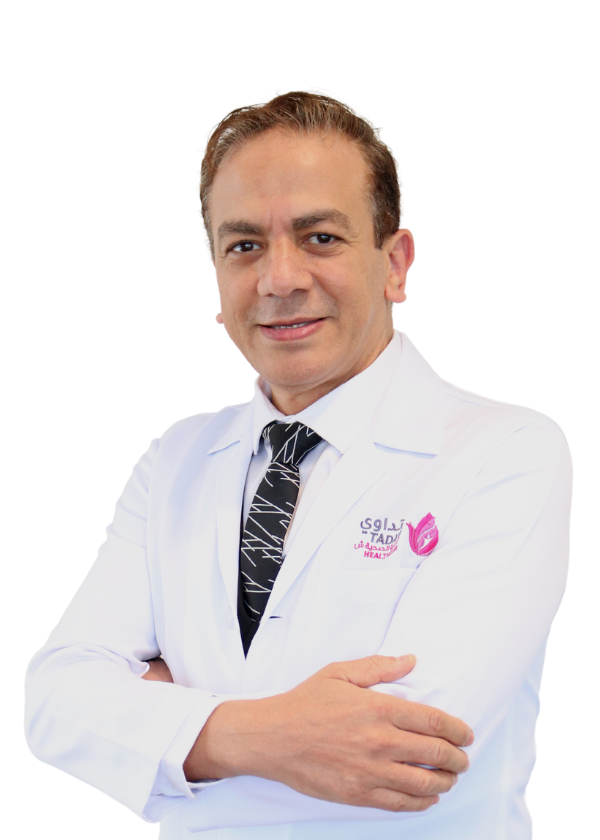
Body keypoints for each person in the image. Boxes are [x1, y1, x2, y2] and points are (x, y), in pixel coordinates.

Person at [23, 87, 573, 839]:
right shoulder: (176, 458)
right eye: (245, 246)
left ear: (395, 263)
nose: (279, 279)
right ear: (216, 273)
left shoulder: (506, 451)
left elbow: (411, 751)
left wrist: (161, 733)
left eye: (320, 237)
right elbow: (54, 704)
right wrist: (274, 735)